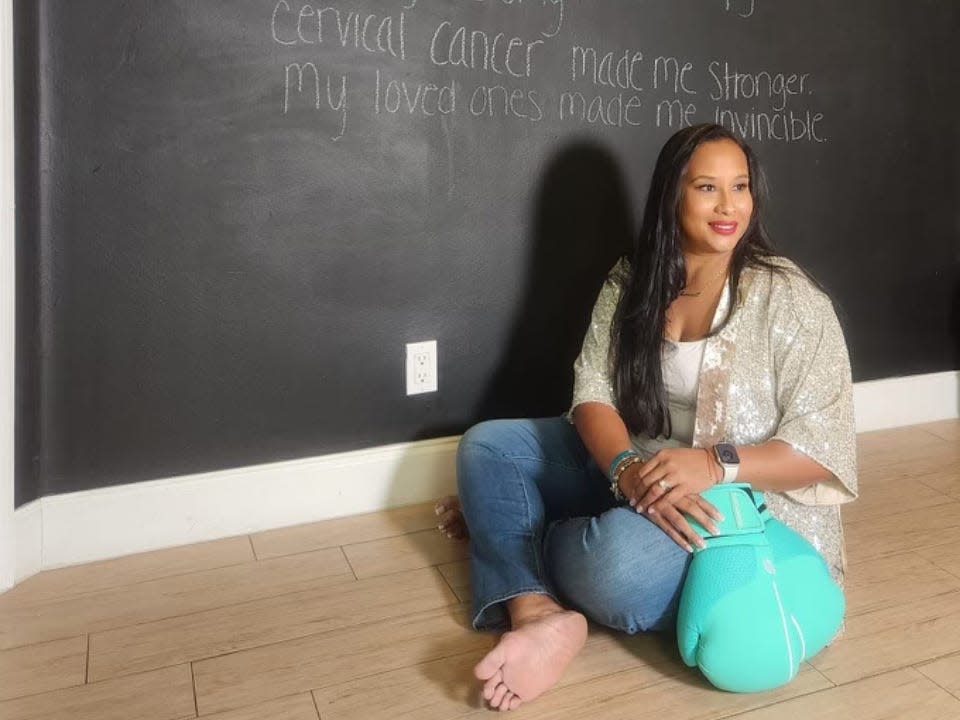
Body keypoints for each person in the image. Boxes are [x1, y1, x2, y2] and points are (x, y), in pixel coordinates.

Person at [436, 123, 857, 712]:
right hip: (630, 465)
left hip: (732, 508)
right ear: (672, 195)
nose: (728, 205)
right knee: (487, 448)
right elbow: (592, 395)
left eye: (740, 187)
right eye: (707, 187)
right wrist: (629, 470)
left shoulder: (789, 298)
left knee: (613, 569)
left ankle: (507, 528)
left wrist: (714, 464)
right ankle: (536, 610)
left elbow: (822, 447)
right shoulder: (631, 280)